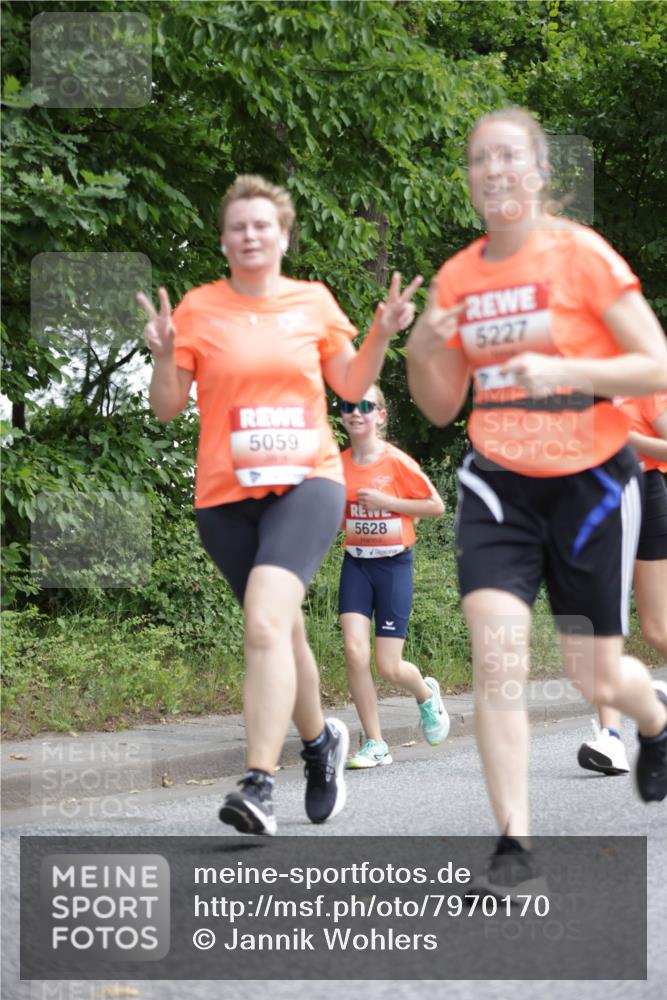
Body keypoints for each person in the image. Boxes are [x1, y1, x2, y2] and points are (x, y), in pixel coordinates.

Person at [406, 107, 667, 893]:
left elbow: (654, 363)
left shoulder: (580, 255)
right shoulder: (458, 278)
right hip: (498, 483)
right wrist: (421, 345)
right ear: (469, 180)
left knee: (596, 677)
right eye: (479, 159)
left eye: (508, 156)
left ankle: (653, 719)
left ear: (540, 172)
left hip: (591, 481)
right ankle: (512, 845)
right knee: (496, 660)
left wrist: (569, 374)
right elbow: (439, 407)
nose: (493, 170)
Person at [138, 174, 422, 835]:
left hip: (306, 485)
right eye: (238, 226)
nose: (250, 235)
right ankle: (321, 742)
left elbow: (351, 383)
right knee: (282, 630)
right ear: (223, 239)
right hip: (224, 499)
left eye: (262, 225)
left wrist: (381, 333)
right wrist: (164, 355)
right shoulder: (198, 309)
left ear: (284, 237)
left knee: (264, 623)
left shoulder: (312, 303)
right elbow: (167, 407)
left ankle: (259, 784)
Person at [337, 384, 449, 769]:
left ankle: (426, 694)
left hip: (393, 566)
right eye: (347, 404)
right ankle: (375, 743)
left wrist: (388, 503)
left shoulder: (396, 462)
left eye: (365, 405)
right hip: (356, 564)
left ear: (380, 415)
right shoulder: (337, 465)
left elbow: (435, 506)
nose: (356, 411)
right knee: (354, 651)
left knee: (389, 667)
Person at [578, 391, 667, 775]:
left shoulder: (643, 388)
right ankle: (611, 739)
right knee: (602, 623)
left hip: (645, 494)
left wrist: (627, 437)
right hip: (596, 500)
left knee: (656, 629)